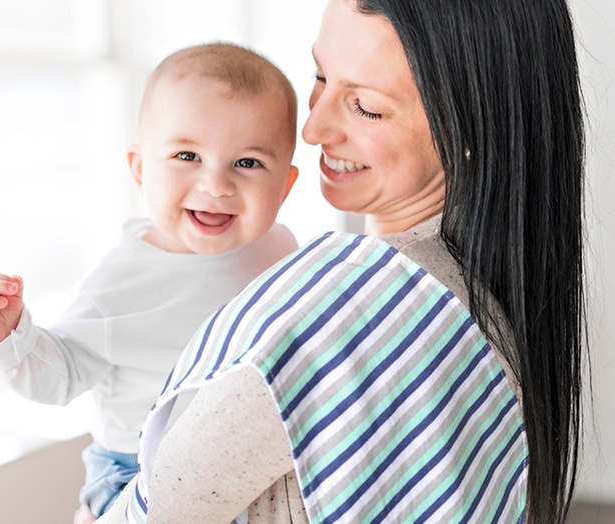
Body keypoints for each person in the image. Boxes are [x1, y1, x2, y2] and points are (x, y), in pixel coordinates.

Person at [99, 0, 586, 522]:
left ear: (471, 125)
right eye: (320, 76)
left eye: (366, 107)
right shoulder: (491, 300)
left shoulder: (327, 311)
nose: (312, 128)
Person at [0, 42, 300, 523]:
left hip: (245, 466)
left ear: (285, 186)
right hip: (137, 471)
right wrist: (9, 337)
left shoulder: (280, 249)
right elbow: (58, 375)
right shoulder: (119, 284)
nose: (217, 185)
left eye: (247, 163)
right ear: (141, 170)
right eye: (188, 155)